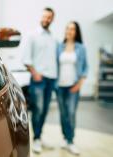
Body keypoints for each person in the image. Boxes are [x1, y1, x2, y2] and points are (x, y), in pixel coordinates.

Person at [23, 8, 57, 153]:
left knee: (44, 111)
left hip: (51, 79)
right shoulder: (32, 35)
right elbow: (25, 58)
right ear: (41, 17)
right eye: (45, 16)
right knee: (38, 110)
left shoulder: (52, 38)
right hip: (38, 79)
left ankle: (39, 136)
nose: (46, 19)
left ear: (52, 19)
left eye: (49, 17)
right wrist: (35, 73)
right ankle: (36, 139)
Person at [56, 21, 88, 155]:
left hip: (73, 86)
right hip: (60, 87)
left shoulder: (81, 48)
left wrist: (79, 84)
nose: (69, 31)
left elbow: (86, 67)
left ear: (76, 32)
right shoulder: (59, 47)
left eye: (72, 29)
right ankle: (65, 138)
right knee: (63, 114)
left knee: (71, 114)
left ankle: (71, 141)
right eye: (68, 28)